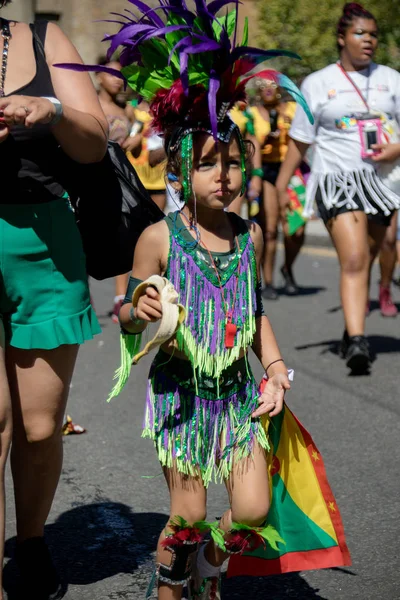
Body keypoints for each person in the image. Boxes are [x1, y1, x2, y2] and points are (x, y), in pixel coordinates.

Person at [0, 6, 107, 598]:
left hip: (43, 243)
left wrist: (54, 111)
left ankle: (34, 539)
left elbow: (93, 144)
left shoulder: (43, 36)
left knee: (39, 426)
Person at [277, 2, 400, 374]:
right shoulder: (317, 82)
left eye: (374, 34)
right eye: (360, 33)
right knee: (354, 258)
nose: (369, 41)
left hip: (383, 183)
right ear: (341, 38)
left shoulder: (392, 79)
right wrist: (282, 188)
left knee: (372, 254)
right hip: (336, 181)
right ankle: (359, 343)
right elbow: (300, 140)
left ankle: (350, 331)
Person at [247, 77, 305, 299]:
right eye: (263, 86)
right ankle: (268, 281)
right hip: (267, 172)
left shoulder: (292, 108)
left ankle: (288, 268)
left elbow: (304, 137)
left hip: (291, 171)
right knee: (270, 230)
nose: (268, 89)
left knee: (296, 230)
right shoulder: (252, 114)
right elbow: (250, 145)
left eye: (272, 85)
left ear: (280, 88)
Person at [95, 59, 143, 323]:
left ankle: (121, 297)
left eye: (121, 74)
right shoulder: (91, 105)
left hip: (125, 180)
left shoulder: (128, 110)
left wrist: (137, 141)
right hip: (96, 177)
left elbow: (135, 148)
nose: (117, 78)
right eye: (111, 73)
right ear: (98, 76)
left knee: (125, 236)